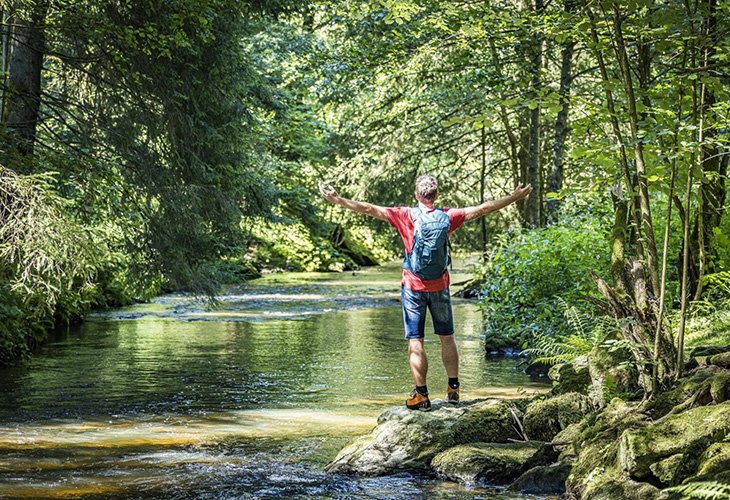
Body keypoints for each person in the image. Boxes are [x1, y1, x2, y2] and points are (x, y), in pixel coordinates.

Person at [320, 175, 532, 411]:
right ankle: (453, 389)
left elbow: (369, 209)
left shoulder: (405, 214)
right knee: (447, 336)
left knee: (416, 340)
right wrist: (513, 198)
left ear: (416, 195)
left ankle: (421, 395)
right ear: (436, 195)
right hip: (440, 286)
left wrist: (339, 200)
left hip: (412, 287)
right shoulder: (449, 216)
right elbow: (483, 209)